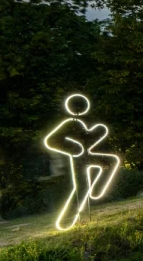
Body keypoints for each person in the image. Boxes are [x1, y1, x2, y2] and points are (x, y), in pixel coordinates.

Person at [43, 93, 121, 230]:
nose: (79, 111)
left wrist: (88, 139)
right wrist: (72, 148)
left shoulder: (83, 125)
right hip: (78, 159)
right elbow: (50, 141)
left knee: (111, 160)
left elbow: (89, 140)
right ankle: (65, 221)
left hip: (87, 155)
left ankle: (96, 191)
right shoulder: (68, 124)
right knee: (80, 188)